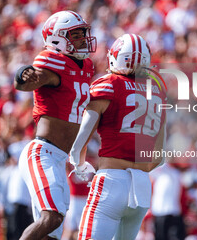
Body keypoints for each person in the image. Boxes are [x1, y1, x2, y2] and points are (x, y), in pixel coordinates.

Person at [69, 33, 166, 240]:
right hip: (141, 186)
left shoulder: (109, 83)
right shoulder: (156, 91)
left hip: (112, 180)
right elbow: (159, 157)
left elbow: (82, 138)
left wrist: (79, 162)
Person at [14, 10, 96, 240]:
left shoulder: (86, 66)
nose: (82, 39)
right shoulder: (53, 61)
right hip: (43, 153)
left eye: (82, 33)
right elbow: (28, 81)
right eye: (76, 34)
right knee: (52, 217)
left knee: (51, 235)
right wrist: (24, 75)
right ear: (58, 39)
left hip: (59, 159)